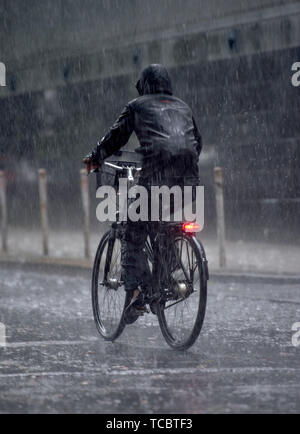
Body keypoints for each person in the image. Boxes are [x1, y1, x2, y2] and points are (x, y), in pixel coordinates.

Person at [83, 64, 202, 319]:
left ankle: (137, 295)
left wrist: (95, 158)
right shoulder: (183, 107)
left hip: (155, 180)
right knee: (164, 226)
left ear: (144, 85)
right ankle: (166, 277)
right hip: (189, 185)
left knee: (132, 232)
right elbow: (196, 144)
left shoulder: (137, 106)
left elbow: (116, 137)